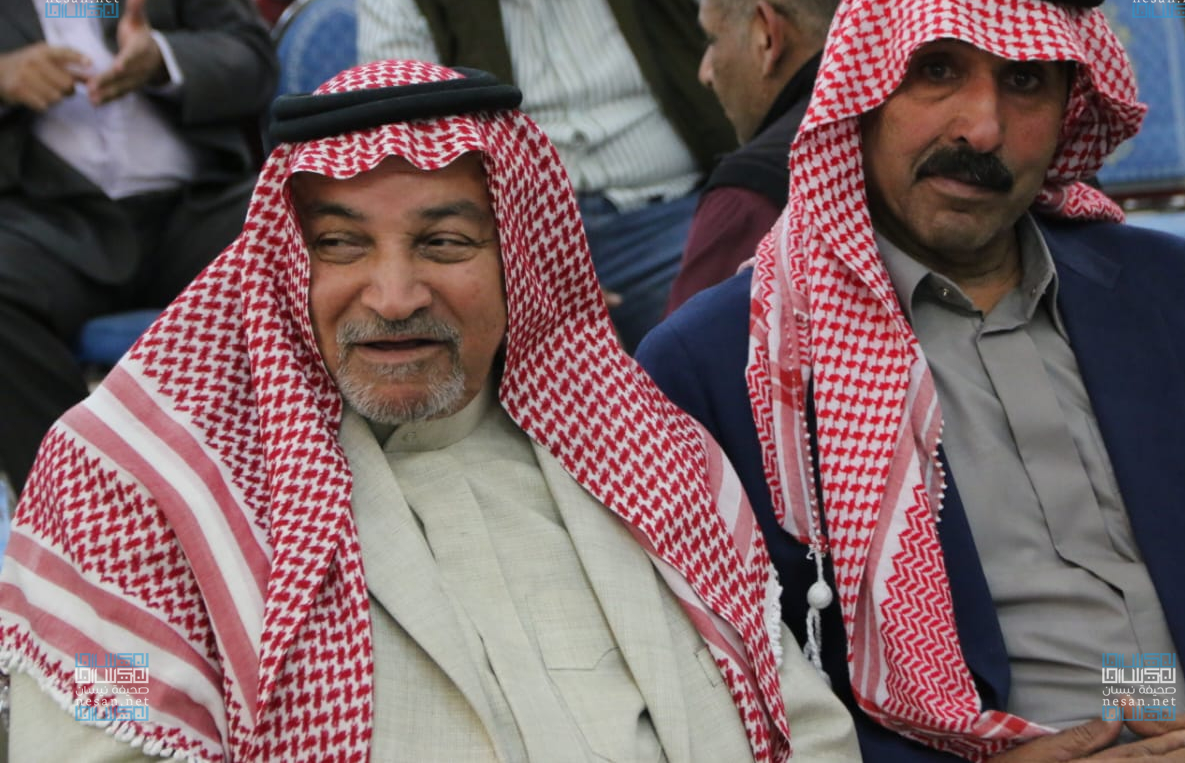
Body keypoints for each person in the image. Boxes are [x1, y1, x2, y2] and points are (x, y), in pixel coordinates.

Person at [0, 60, 859, 761]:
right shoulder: (138, 491)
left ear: (518, 257)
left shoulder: (649, 458)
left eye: (444, 242)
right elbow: (98, 718)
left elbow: (800, 724)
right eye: (340, 244)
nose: (394, 295)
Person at [638, 0, 1185, 762]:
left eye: (1025, 81)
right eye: (936, 70)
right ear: (864, 88)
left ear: (1069, 108)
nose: (981, 128)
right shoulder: (720, 366)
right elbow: (722, 682)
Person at [356, 0, 739, 350]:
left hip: (678, 218)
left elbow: (769, 20)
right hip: (508, 240)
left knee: (719, 325)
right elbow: (404, 159)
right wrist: (520, 270)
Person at [0, 0, 277, 493]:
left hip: (191, 206)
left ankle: (284, 485)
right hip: (47, 219)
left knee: (304, 231)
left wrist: (164, 59)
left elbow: (252, 59)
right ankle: (79, 510)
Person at [666, 0, 869, 314]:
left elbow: (677, 354)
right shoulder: (914, 130)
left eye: (712, 38)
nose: (705, 72)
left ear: (766, 37)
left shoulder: (749, 199)